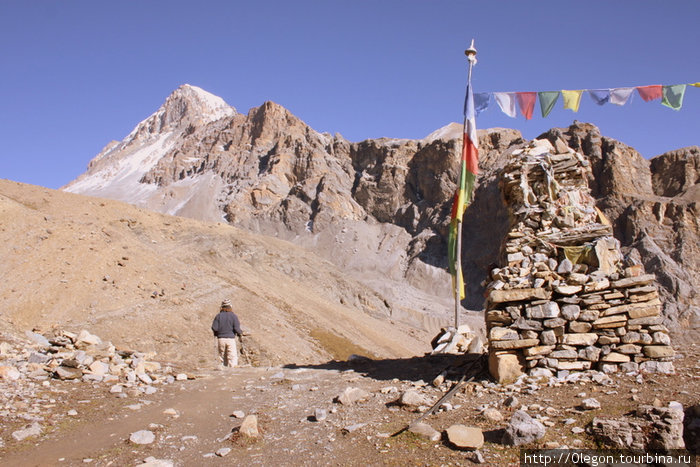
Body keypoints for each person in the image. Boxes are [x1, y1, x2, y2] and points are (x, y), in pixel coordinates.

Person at [211, 299, 243, 368]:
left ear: (222, 307)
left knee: (222, 357)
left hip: (221, 339)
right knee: (232, 357)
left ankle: (223, 371)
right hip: (230, 339)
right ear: (230, 307)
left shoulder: (218, 316)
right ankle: (232, 373)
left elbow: (214, 328)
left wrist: (217, 333)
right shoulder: (234, 316)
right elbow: (237, 329)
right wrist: (240, 333)